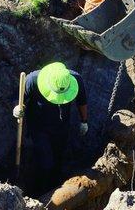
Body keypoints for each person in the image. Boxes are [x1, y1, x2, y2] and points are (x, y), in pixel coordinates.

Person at [13, 62, 88, 194]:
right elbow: (20, 99)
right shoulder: (32, 80)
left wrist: (84, 121)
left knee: (58, 157)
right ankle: (43, 191)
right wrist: (18, 108)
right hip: (39, 126)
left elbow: (82, 101)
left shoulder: (76, 79)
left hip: (62, 126)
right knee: (46, 161)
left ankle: (55, 182)